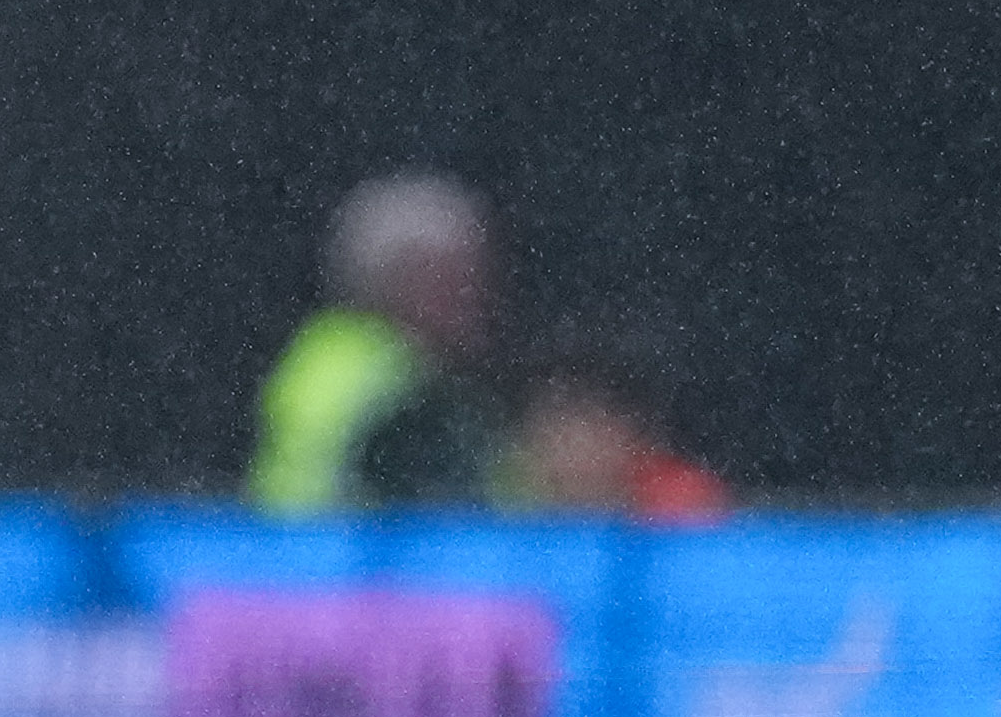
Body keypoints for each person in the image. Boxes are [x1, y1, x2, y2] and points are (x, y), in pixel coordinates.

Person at [247, 175, 508, 513]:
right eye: (457, 276)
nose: (476, 295)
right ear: (401, 279)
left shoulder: (333, 349)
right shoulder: (379, 377)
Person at [510, 323, 730, 523]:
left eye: (589, 422)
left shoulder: (681, 499)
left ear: (627, 429)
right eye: (555, 422)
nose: (570, 441)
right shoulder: (510, 494)